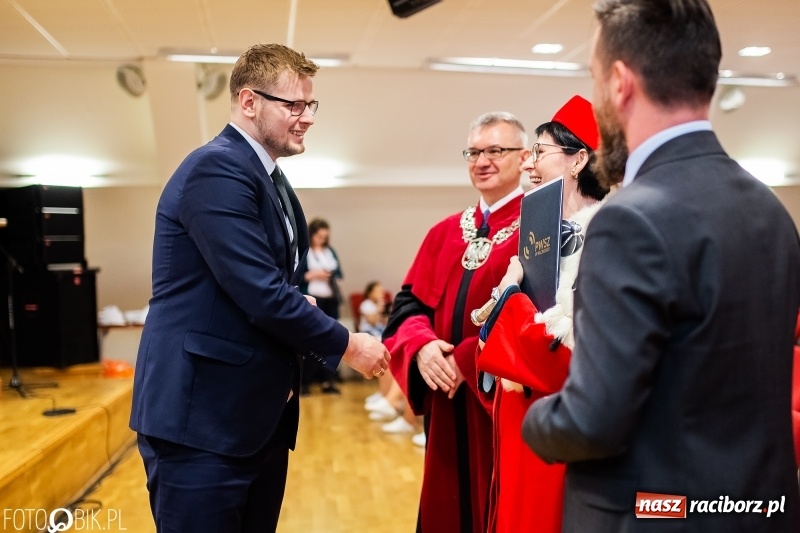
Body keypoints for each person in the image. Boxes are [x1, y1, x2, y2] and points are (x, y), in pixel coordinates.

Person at [521, 1, 800, 531]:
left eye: (595, 80)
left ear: (620, 83)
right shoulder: (769, 209)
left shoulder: (628, 220)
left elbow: (594, 419)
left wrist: (535, 420)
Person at [129, 43, 390, 533]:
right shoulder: (217, 168)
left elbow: (265, 282)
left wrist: (296, 298)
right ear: (249, 102)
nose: (307, 117)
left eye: (310, 105)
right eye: (294, 105)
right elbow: (260, 291)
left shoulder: (269, 177)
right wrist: (348, 345)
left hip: (253, 417)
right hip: (202, 419)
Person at [383, 112, 530, 532]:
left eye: (495, 150)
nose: (482, 161)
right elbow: (408, 305)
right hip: (445, 401)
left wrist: (467, 359)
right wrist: (422, 346)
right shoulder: (444, 232)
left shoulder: (539, 231)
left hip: (500, 400)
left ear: (524, 157)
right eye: (473, 152)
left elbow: (539, 314)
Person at [475, 95, 609, 533]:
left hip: (559, 415)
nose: (529, 164)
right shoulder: (543, 234)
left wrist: (510, 296)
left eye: (541, 151)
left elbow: (570, 352)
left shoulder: (607, 239)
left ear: (578, 160)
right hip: (519, 407)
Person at [299, 217, 344, 394]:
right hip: (311, 300)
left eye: (325, 237)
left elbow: (339, 273)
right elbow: (297, 275)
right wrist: (312, 275)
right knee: (311, 340)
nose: (322, 240)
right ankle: (305, 382)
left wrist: (329, 275)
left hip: (330, 300)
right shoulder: (304, 251)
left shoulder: (329, 251)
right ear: (311, 234)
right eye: (319, 236)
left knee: (331, 340)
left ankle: (328, 381)